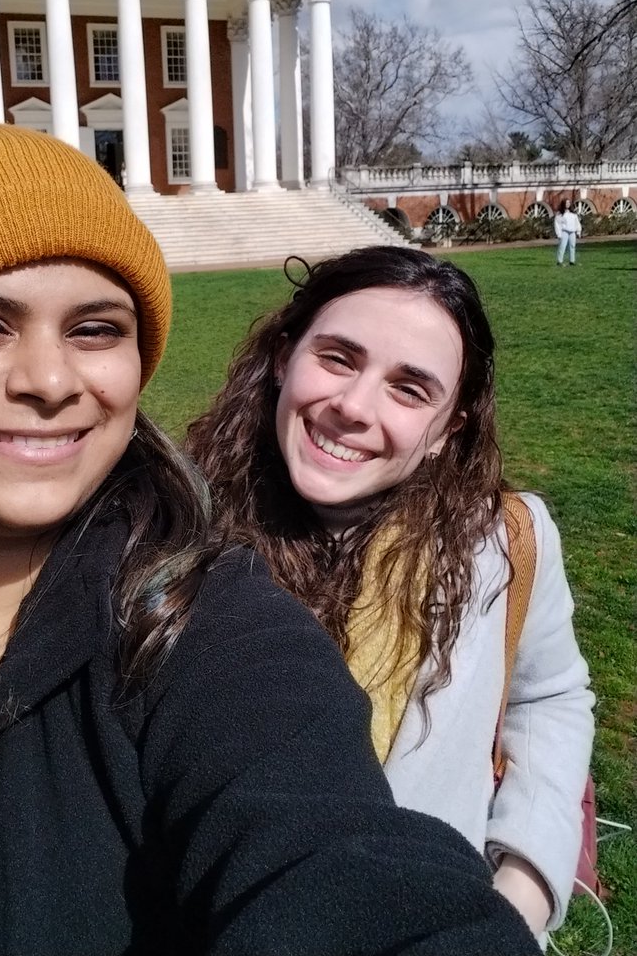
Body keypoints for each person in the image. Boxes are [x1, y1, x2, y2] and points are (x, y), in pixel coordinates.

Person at [0, 125, 541, 956]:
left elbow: (342, 858)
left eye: (95, 330)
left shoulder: (201, 617)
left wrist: (526, 876)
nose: (50, 382)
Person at [187, 245, 594, 943]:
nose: (352, 407)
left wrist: (523, 888)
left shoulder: (503, 544)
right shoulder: (177, 531)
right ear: (284, 357)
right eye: (338, 358)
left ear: (448, 429)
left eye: (410, 389)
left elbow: (549, 697)